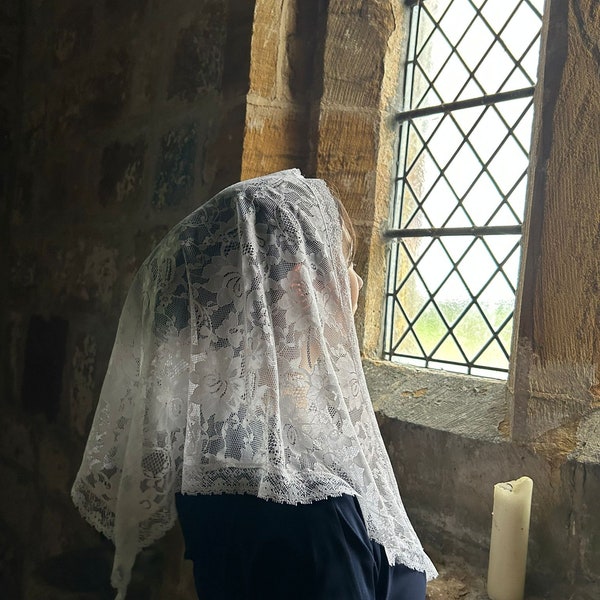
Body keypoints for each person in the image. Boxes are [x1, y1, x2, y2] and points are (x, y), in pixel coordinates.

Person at [72, 169, 437, 599]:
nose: (355, 284)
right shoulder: (317, 513)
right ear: (302, 288)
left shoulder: (215, 455)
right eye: (347, 265)